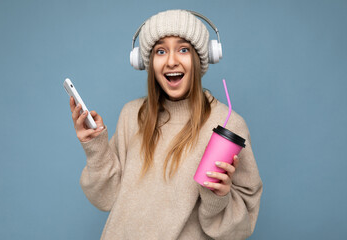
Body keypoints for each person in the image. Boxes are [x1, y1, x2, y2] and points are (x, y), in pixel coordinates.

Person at [69, 9, 263, 240]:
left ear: (201, 57)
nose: (171, 61)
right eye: (160, 51)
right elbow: (106, 197)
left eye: (183, 49)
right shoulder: (131, 115)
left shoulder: (228, 124)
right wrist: (96, 147)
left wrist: (218, 198)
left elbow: (241, 227)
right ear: (147, 62)